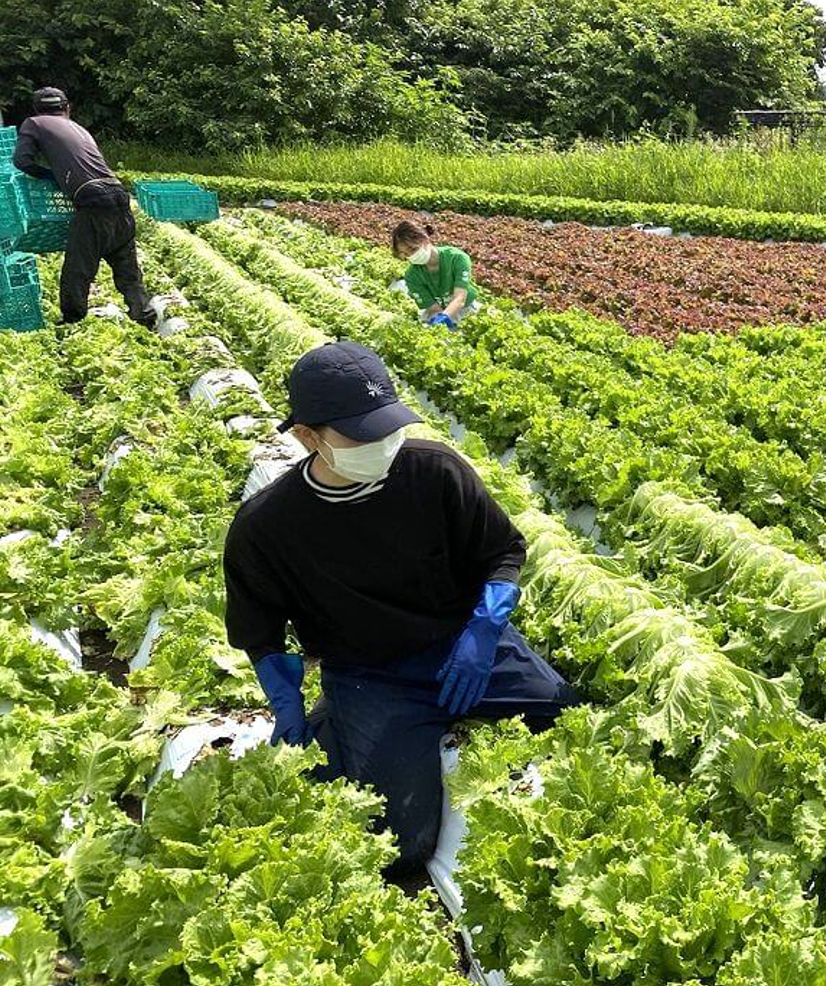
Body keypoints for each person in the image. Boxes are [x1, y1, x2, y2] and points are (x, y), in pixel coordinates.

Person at [223, 341, 578, 876]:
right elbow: (260, 630)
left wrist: (484, 630)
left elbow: (503, 551)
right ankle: (336, 722)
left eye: (388, 429)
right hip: (372, 674)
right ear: (307, 437)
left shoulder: (435, 471)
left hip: (462, 645)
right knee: (402, 846)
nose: (383, 445)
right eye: (362, 436)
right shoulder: (267, 527)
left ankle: (404, 708)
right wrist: (285, 701)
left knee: (565, 715)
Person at [11, 87, 153, 327]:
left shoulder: (34, 123)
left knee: (78, 268)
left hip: (92, 199)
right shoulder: (79, 128)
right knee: (127, 268)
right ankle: (144, 316)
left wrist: (51, 177)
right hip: (118, 193)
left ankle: (72, 321)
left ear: (36, 109)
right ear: (66, 108)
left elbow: (22, 160)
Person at [389, 220, 477, 330]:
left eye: (413, 249)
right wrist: (440, 321)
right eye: (406, 254)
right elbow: (433, 307)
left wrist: (445, 316)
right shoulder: (412, 276)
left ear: (425, 239)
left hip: (465, 308)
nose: (412, 256)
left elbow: (460, 298)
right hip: (438, 311)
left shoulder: (456, 258)